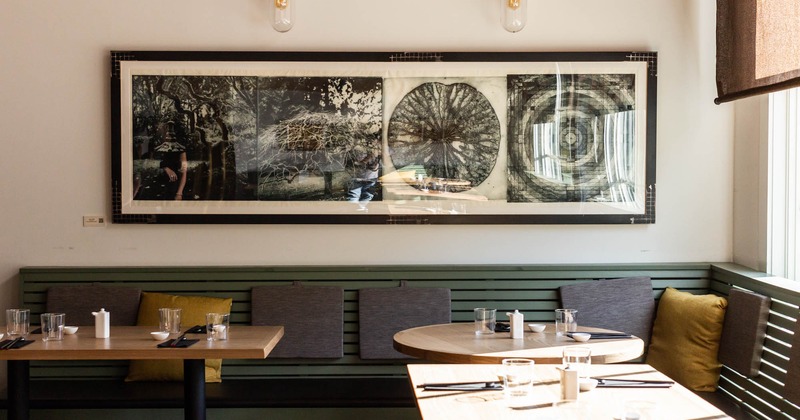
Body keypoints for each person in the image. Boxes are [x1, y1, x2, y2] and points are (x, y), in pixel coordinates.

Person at [154, 122, 188, 200]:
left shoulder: (181, 150)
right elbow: (154, 164)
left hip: (175, 183)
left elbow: (184, 170)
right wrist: (166, 169)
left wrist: (179, 193)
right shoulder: (159, 149)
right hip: (160, 183)